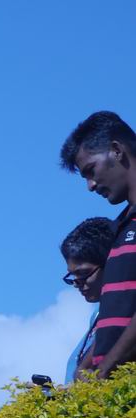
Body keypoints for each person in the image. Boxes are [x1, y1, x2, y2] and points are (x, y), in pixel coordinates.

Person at [60, 111, 136, 378]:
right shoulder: (121, 227)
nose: (90, 186)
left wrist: (105, 368)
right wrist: (88, 363)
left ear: (117, 150)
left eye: (91, 171)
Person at [59, 216, 116, 382]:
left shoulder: (123, 314)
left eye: (83, 273)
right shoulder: (97, 314)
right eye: (73, 276)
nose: (77, 284)